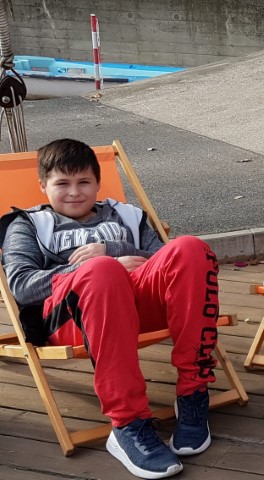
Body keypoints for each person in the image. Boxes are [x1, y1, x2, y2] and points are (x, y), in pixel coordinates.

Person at [0, 139, 221, 480]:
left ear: (98, 182)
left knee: (190, 248)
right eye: (62, 183)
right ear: (43, 185)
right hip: (72, 319)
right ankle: (128, 423)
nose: (75, 192)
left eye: (84, 182)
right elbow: (22, 285)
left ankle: (193, 391)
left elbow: (164, 261)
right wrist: (93, 266)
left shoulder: (127, 216)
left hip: (138, 307)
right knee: (102, 271)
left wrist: (114, 249)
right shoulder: (27, 224)